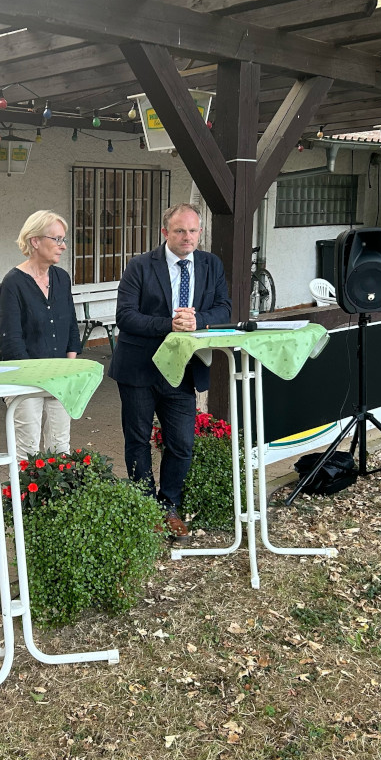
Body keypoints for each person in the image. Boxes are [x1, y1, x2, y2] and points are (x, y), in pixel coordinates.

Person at [110, 203, 231, 544]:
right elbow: (126, 316)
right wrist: (170, 324)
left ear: (199, 233)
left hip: (182, 370)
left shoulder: (210, 265)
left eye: (193, 231)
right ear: (165, 233)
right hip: (139, 368)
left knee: (182, 443)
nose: (187, 237)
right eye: (179, 231)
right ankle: (145, 508)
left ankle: (169, 505)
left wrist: (200, 321)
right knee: (137, 441)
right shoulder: (139, 266)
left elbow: (224, 307)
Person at [0, 210, 82, 460]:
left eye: (63, 239)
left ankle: (58, 499)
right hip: (26, 381)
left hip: (59, 377)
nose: (63, 246)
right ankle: (24, 500)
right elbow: (12, 341)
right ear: (35, 241)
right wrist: (34, 378)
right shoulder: (13, 283)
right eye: (56, 239)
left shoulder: (62, 278)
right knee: (28, 453)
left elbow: (71, 326)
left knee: (60, 450)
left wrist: (69, 368)